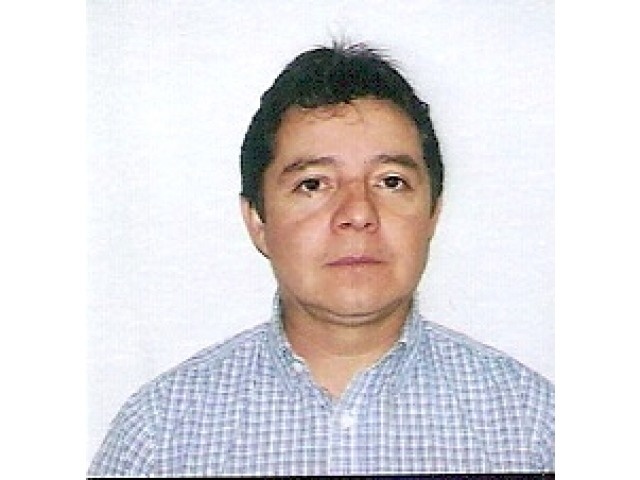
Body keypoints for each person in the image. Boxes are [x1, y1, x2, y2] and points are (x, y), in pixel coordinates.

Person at [88, 41, 554, 476]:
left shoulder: (533, 428)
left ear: (433, 212)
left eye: (391, 181)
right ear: (258, 221)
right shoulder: (159, 438)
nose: (358, 213)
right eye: (313, 184)